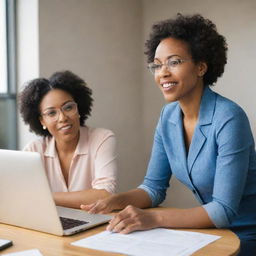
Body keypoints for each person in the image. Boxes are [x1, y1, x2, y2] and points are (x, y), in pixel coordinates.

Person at [81, 14, 256, 255]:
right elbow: (153, 188)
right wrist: (117, 201)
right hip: (213, 233)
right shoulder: (168, 116)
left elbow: (223, 210)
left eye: (174, 62)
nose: (162, 72)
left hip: (247, 233)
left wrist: (153, 219)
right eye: (157, 64)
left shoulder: (228, 118)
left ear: (201, 67)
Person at [19, 70, 117, 209]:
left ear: (78, 109)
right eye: (51, 113)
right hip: (51, 223)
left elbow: (104, 195)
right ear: (42, 121)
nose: (63, 118)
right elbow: (23, 196)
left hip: (95, 222)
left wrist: (44, 197)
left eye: (68, 107)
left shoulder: (101, 138)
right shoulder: (33, 150)